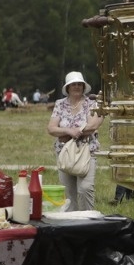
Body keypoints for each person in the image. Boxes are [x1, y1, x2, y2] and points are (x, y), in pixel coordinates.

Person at [48, 71, 104, 212]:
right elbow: (51, 128)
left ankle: (89, 221)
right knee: (68, 194)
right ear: (67, 87)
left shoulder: (91, 104)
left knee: (85, 189)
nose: (77, 87)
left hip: (87, 150)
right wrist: (69, 131)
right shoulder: (60, 104)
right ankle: (71, 224)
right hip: (64, 152)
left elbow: (92, 126)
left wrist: (66, 131)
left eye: (80, 84)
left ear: (84, 86)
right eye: (73, 84)